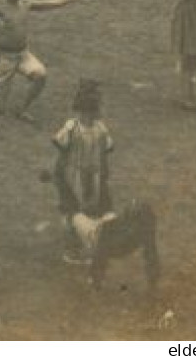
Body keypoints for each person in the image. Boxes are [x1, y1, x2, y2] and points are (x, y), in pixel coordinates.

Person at [48, 79, 114, 260]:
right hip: (72, 176)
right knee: (71, 211)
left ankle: (85, 245)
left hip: (94, 176)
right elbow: (62, 154)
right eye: (94, 109)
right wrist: (59, 176)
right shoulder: (71, 129)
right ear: (84, 110)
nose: (97, 113)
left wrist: (104, 177)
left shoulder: (101, 130)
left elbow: (103, 155)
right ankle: (71, 251)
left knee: (90, 210)